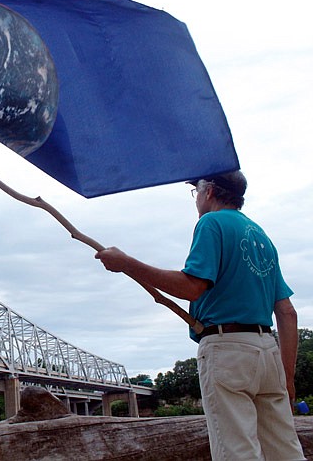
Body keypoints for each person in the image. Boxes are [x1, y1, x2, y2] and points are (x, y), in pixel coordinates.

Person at [95, 170, 304, 460]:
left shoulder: (211, 223)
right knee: (285, 450)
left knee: (237, 451)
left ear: (209, 192)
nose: (196, 200)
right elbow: (287, 312)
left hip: (228, 351)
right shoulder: (261, 236)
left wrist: (127, 263)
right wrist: (287, 378)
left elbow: (191, 287)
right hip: (268, 351)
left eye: (196, 192)